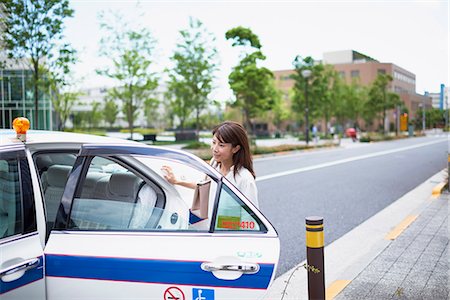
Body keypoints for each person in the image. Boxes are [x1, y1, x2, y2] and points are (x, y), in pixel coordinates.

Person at [162, 121, 258, 207]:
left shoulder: (244, 179)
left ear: (235, 148)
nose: (214, 149)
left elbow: (251, 217)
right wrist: (176, 181)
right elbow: (204, 187)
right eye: (213, 142)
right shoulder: (215, 164)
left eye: (221, 145)